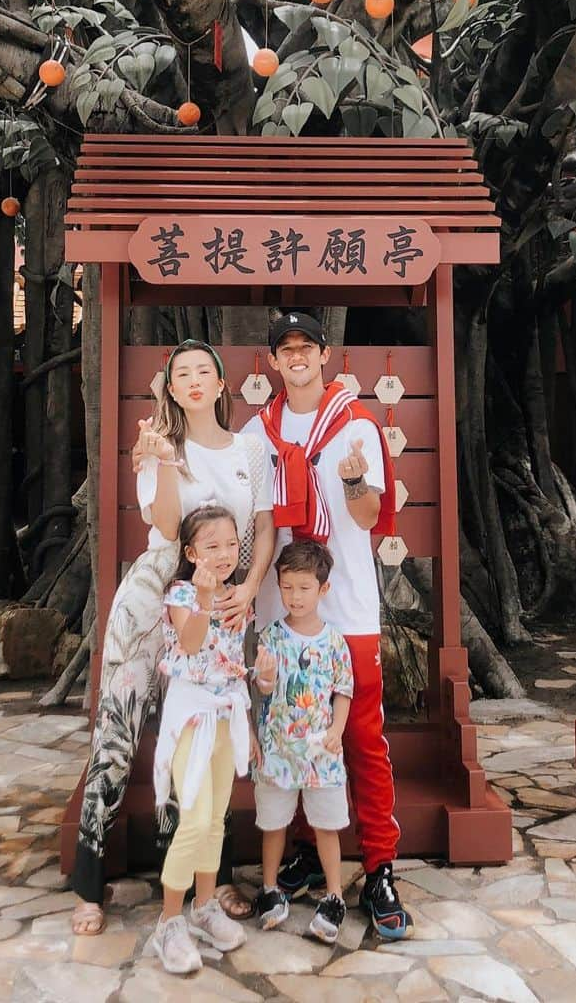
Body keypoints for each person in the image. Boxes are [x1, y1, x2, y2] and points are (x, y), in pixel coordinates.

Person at [72, 340, 275, 936]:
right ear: (168, 387)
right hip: (158, 590)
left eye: (203, 372)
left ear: (220, 386)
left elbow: (262, 527)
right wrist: (159, 461)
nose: (191, 380)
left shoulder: (249, 448)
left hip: (230, 600)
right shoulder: (157, 447)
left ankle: (208, 881)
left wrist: (252, 583)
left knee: (217, 730)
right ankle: (89, 880)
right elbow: (164, 527)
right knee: (120, 725)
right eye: (179, 373)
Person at [241, 311, 414, 941]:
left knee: (361, 737)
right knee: (289, 729)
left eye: (305, 347)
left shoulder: (357, 425)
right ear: (274, 361)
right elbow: (253, 521)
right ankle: (310, 850)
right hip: (281, 611)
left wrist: (353, 479)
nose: (296, 357)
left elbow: (370, 517)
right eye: (284, 349)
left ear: (324, 353)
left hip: (346, 610)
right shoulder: (257, 433)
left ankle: (379, 864)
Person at [148, 505, 252, 973]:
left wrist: (249, 711)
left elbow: (233, 659)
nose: (225, 554)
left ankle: (204, 905)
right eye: (212, 546)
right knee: (194, 816)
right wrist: (206, 600)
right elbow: (190, 644)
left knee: (216, 819)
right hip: (192, 716)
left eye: (231, 544)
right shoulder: (182, 594)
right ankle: (169, 921)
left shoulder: (238, 594)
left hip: (227, 713)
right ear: (191, 552)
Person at [253, 539, 353, 945]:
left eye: (304, 588)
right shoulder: (270, 636)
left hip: (320, 750)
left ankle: (334, 894)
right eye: (287, 587)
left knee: (328, 824)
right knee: (273, 823)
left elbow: (343, 690)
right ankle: (269, 888)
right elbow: (262, 688)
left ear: (323, 589)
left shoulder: (334, 642)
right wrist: (265, 677)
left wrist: (338, 730)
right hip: (278, 747)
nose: (295, 596)